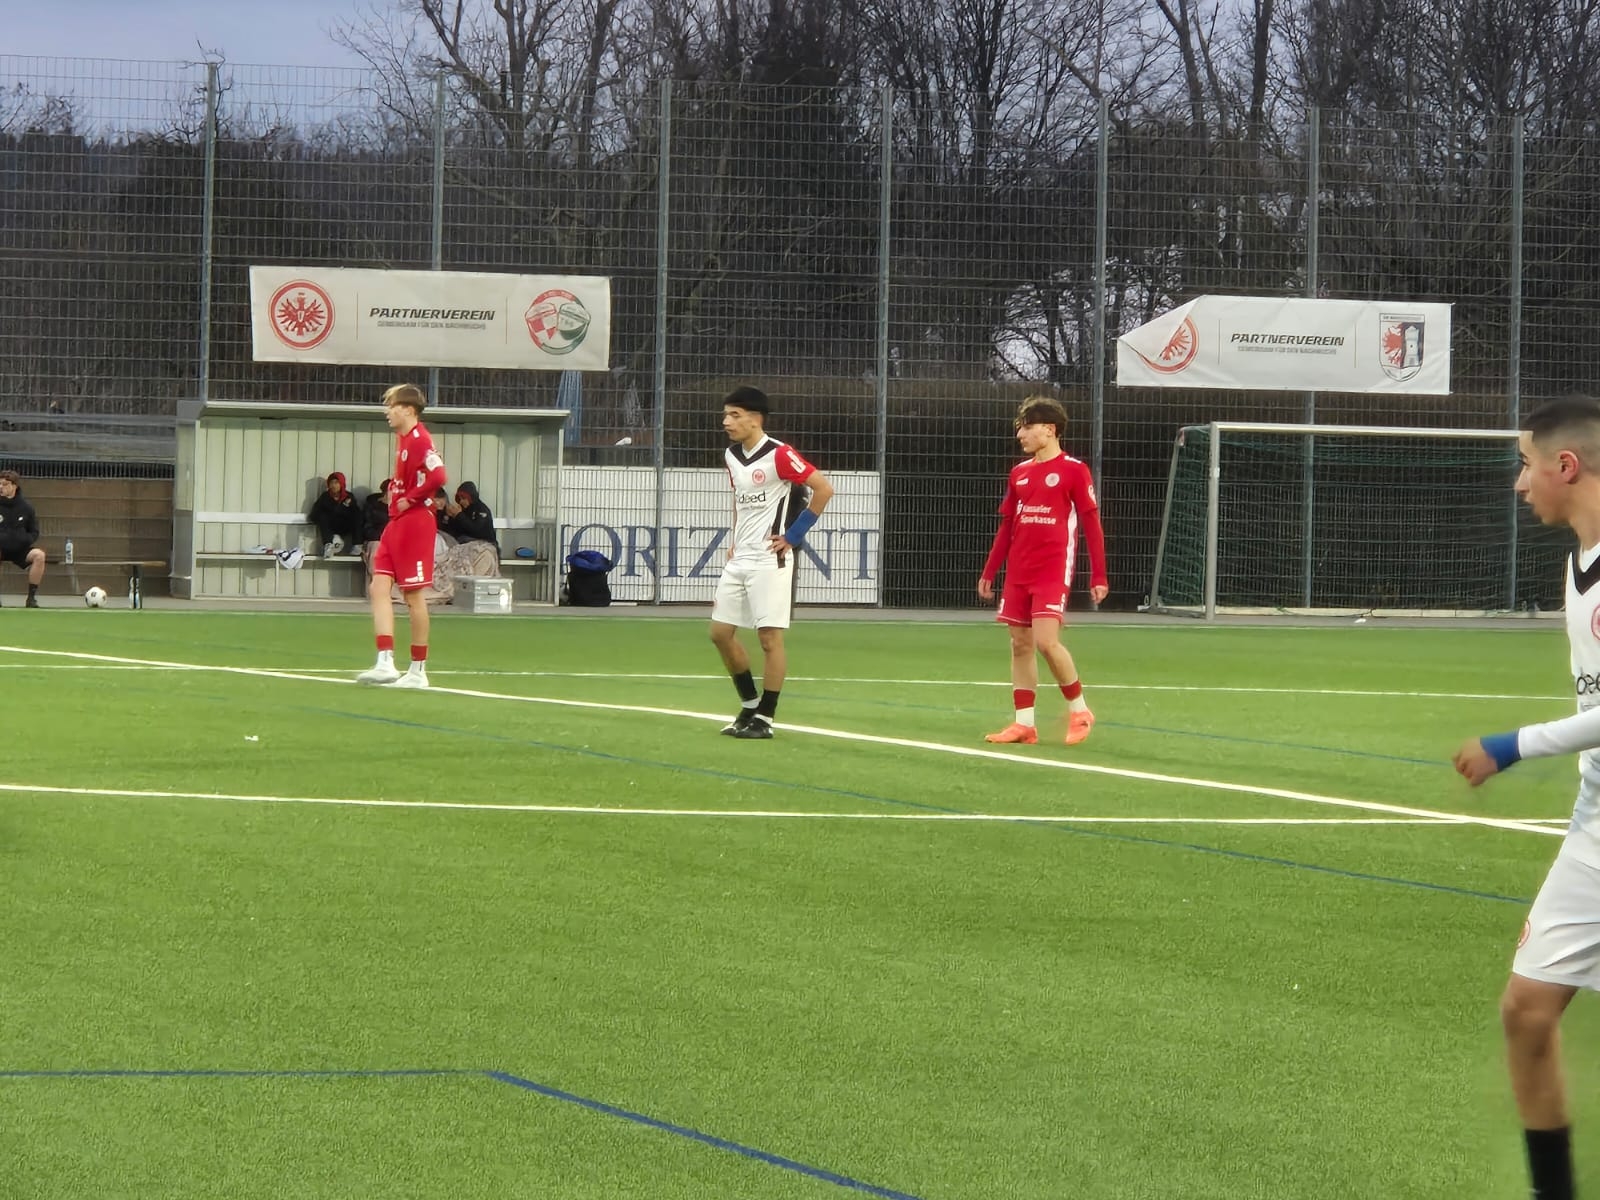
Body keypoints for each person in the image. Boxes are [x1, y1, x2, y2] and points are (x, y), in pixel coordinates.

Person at [1453, 394, 1600, 1200]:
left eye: (1525, 464)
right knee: (1528, 1010)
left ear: (1565, 466)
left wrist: (1514, 745)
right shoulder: (1579, 564)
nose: (1519, 483)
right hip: (1595, 825)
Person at [977, 395, 1108, 747]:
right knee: (1020, 643)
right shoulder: (1019, 473)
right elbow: (1007, 526)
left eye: (1027, 427)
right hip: (1019, 571)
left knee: (1046, 642)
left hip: (1051, 570)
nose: (1020, 434)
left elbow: (1092, 524)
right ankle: (1024, 725)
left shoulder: (1074, 470)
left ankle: (1080, 710)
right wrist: (990, 570)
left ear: (1049, 430)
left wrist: (1099, 574)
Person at [710, 385, 834, 739]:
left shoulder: (780, 454)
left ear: (755, 419)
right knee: (720, 633)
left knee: (769, 638)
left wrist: (793, 536)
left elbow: (823, 489)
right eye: (726, 415)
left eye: (734, 415)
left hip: (770, 559)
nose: (727, 422)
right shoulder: (732, 455)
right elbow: (739, 500)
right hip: (740, 557)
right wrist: (735, 540)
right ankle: (749, 705)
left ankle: (765, 718)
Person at [357, 385, 447, 689]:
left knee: (413, 595)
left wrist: (413, 497)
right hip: (396, 522)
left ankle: (418, 669)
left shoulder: (421, 440)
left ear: (408, 409)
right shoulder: (404, 439)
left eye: (392, 406)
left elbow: (439, 476)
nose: (387, 411)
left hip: (416, 523)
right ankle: (385, 661)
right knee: (378, 586)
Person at [0, 469, 45, 608]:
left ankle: (31, 598)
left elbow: (34, 531)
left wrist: (24, 539)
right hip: (1, 547)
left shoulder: (26, 507)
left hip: (20, 548)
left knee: (39, 555)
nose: (1, 487)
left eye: (5, 484)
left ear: (14, 486)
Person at [308, 471, 362, 557]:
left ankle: (357, 545)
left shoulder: (348, 496)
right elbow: (314, 515)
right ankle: (328, 546)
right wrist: (339, 508)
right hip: (330, 528)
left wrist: (343, 508)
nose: (333, 485)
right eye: (331, 483)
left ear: (341, 484)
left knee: (357, 514)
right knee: (323, 515)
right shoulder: (325, 497)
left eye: (336, 482)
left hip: (345, 525)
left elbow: (355, 513)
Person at [440, 481, 497, 550]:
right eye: (459, 499)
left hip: (486, 544)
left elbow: (476, 530)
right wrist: (448, 517)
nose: (461, 501)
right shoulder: (463, 509)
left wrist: (459, 515)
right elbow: (453, 531)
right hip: (469, 544)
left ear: (471, 498)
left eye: (463, 498)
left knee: (461, 540)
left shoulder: (482, 509)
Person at [359, 479, 390, 576]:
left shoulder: (400, 507)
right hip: (376, 539)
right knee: (376, 548)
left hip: (395, 540)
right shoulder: (373, 506)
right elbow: (367, 526)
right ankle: (376, 579)